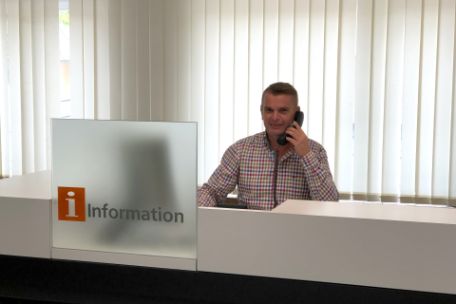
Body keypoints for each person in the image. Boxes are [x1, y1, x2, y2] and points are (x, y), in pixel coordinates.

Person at [198, 82, 339, 210]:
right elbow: (211, 191)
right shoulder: (240, 150)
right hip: (251, 233)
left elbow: (329, 204)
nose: (275, 117)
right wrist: (192, 214)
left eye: (283, 111)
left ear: (296, 114)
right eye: (269, 110)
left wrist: (306, 156)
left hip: (297, 234)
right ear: (261, 111)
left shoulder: (315, 151)